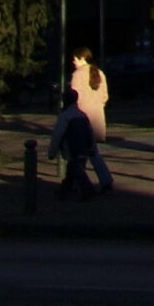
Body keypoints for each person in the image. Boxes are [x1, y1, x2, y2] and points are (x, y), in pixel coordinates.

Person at [67, 49, 114, 191]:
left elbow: (74, 98)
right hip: (97, 117)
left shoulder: (77, 75)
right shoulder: (100, 73)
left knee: (79, 152)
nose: (73, 62)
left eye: (75, 59)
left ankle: (79, 183)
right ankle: (103, 180)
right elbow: (105, 96)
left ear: (82, 58)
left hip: (82, 119)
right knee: (91, 151)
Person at [49, 89, 98, 199]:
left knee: (77, 171)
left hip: (71, 148)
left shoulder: (65, 116)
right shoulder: (82, 115)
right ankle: (65, 190)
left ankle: (87, 190)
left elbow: (57, 135)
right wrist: (92, 147)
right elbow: (90, 132)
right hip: (84, 147)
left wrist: (52, 152)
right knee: (73, 170)